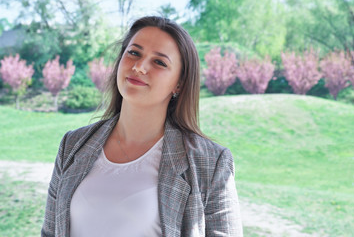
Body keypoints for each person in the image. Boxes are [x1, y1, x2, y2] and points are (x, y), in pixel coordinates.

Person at [41, 16, 242, 237]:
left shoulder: (211, 163)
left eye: (159, 62)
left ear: (179, 83)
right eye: (134, 53)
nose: (139, 67)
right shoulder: (72, 146)